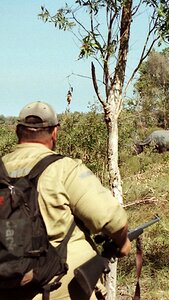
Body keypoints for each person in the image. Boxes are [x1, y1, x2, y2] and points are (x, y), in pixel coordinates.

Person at [1, 101, 131, 299]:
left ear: (18, 132)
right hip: (60, 287)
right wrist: (123, 243)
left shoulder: (2, 168)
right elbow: (111, 218)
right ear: (54, 133)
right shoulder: (64, 169)